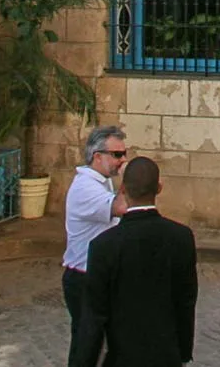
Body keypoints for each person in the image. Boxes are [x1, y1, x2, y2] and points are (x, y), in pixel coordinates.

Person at [73, 157, 197, 367]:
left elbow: (94, 317)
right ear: (159, 188)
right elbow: (186, 300)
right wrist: (183, 352)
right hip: (166, 356)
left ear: (122, 189)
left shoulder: (104, 245)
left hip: (122, 358)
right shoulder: (181, 237)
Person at [63, 126, 129, 367]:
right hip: (84, 277)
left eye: (124, 154)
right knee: (86, 347)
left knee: (103, 343)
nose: (122, 160)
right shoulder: (85, 187)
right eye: (117, 155)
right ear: (97, 156)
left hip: (97, 275)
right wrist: (131, 177)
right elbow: (121, 207)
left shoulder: (102, 182)